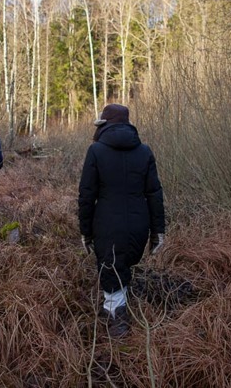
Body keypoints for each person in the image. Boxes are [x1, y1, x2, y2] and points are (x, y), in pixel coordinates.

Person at [78, 103, 165, 337]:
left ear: (105, 125)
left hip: (106, 226)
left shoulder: (95, 151)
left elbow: (87, 195)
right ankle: (112, 311)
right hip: (139, 225)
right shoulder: (145, 151)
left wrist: (85, 231)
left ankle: (118, 325)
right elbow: (154, 194)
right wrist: (158, 231)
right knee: (122, 265)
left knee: (111, 269)